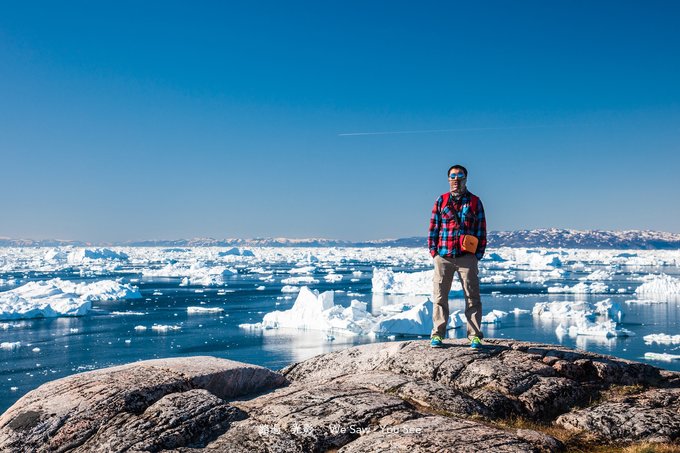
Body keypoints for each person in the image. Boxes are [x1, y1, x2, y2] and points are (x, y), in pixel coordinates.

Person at [428, 164, 487, 348]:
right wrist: (434, 252)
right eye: (452, 176)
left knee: (472, 296)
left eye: (459, 176)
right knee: (440, 296)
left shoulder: (475, 202)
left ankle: (474, 335)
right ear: (448, 179)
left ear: (465, 179)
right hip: (444, 255)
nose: (456, 179)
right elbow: (433, 227)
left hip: (466, 256)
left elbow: (481, 229)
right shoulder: (441, 200)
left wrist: (477, 254)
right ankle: (437, 334)